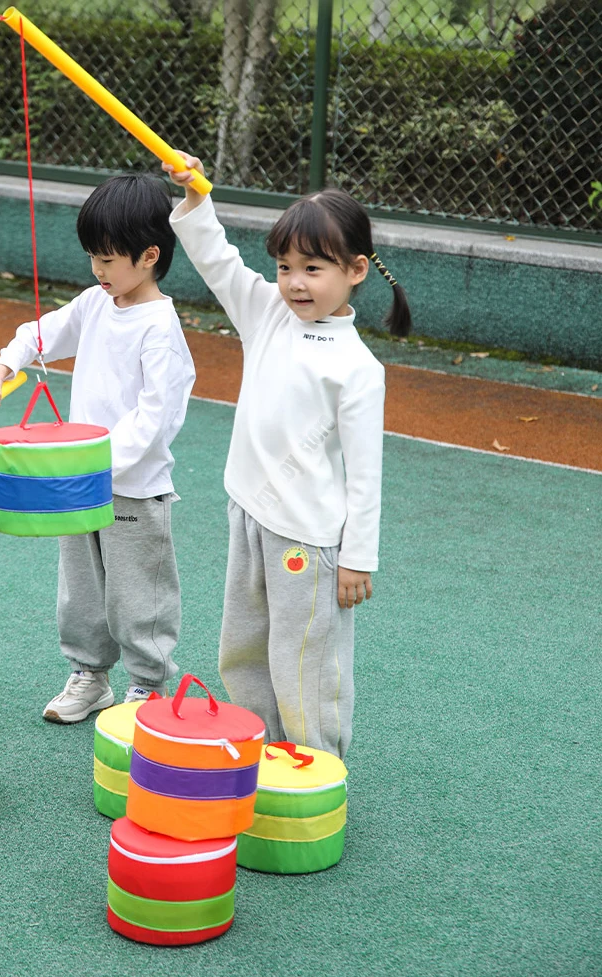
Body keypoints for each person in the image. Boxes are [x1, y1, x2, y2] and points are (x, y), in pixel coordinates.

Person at [163, 153, 411, 759]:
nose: (295, 282)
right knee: (243, 649)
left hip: (309, 541)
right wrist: (196, 196)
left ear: (355, 270)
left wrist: (358, 559)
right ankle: (259, 756)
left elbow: (365, 475)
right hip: (248, 514)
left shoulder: (358, 368)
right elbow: (217, 260)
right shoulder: (268, 313)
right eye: (284, 266)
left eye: (313, 268)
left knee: (306, 661)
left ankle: (317, 768)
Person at [0, 173, 196, 724]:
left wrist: (92, 458)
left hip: (133, 490)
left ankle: (147, 686)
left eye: (108, 259)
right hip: (78, 482)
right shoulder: (97, 302)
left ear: (149, 255)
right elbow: (41, 332)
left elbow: (154, 420)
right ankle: (90, 675)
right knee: (80, 591)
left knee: (138, 595)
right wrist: (3, 368)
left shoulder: (160, 328)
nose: (97, 270)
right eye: (92, 257)